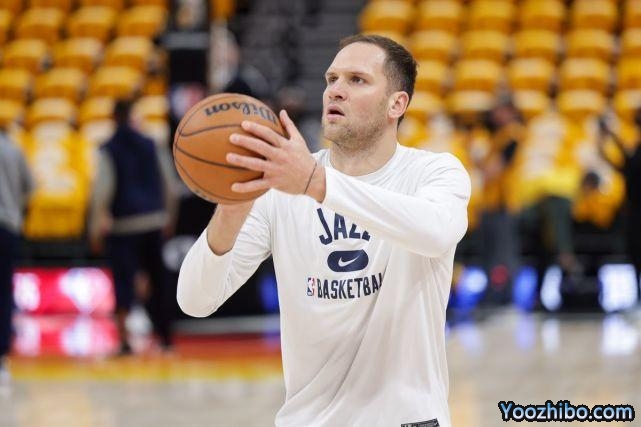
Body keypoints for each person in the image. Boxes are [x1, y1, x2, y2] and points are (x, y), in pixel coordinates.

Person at [177, 35, 470, 426]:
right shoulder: (281, 187)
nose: (336, 90)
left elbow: (435, 232)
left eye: (357, 80)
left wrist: (316, 182)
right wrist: (231, 208)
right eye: (332, 79)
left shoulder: (434, 172)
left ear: (396, 104)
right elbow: (195, 301)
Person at [89, 100, 178, 355]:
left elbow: (102, 191)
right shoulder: (151, 144)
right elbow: (170, 185)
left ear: (113, 117)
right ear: (132, 117)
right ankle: (166, 340)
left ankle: (124, 341)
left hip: (123, 226)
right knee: (159, 282)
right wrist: (169, 218)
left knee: (123, 284)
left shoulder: (109, 148)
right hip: (154, 221)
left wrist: (94, 230)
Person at [0, 124, 34, 383]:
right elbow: (30, 188)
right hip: (7, 227)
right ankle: (1, 356)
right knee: (3, 291)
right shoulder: (14, 150)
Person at [597, 114, 641, 298]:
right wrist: (608, 142)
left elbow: (630, 164)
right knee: (635, 251)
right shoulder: (636, 147)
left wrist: (614, 138)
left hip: (636, 207)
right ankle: (637, 293)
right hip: (634, 208)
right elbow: (626, 167)